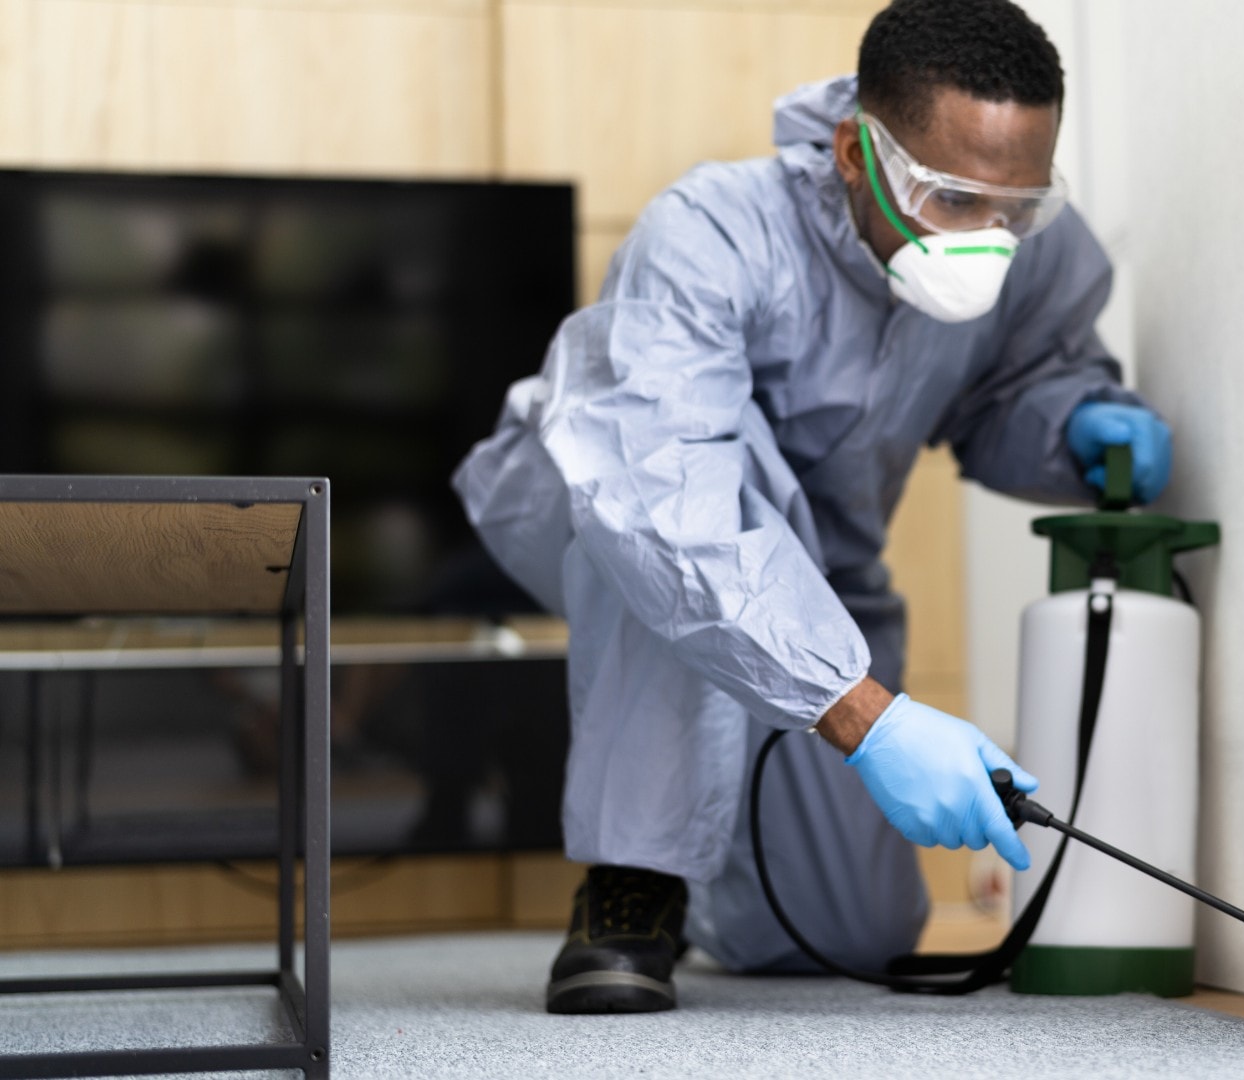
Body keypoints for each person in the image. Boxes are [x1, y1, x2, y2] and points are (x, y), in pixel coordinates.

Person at [453, 0, 1173, 1015]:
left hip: (819, 573)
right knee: (693, 515)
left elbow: (1022, 382)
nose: (991, 238)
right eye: (954, 200)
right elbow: (665, 505)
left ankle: (705, 864)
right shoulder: (708, 232)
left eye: (1017, 208)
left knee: (847, 933)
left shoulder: (1024, 243)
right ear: (853, 152)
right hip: (607, 509)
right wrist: (870, 722)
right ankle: (634, 882)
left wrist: (1082, 421)